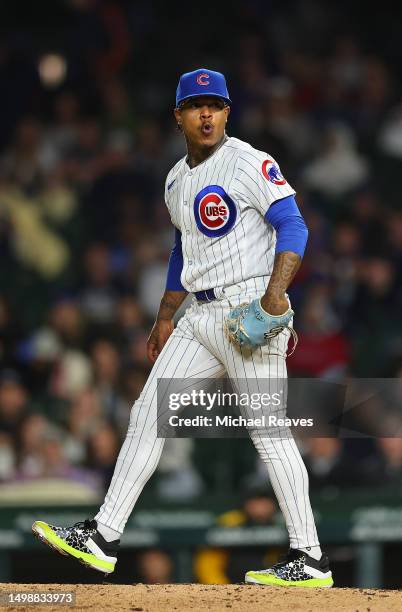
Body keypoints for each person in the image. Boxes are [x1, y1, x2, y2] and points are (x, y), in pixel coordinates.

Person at [32, 68, 333, 588]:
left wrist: (276, 295)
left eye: (215, 104)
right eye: (197, 106)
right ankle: (104, 537)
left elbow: (294, 225)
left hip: (250, 310)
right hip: (199, 315)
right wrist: (166, 314)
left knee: (269, 434)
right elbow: (182, 250)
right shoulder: (176, 179)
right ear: (179, 116)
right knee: (147, 412)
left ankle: (310, 558)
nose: (207, 113)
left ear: (227, 111)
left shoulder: (248, 161)